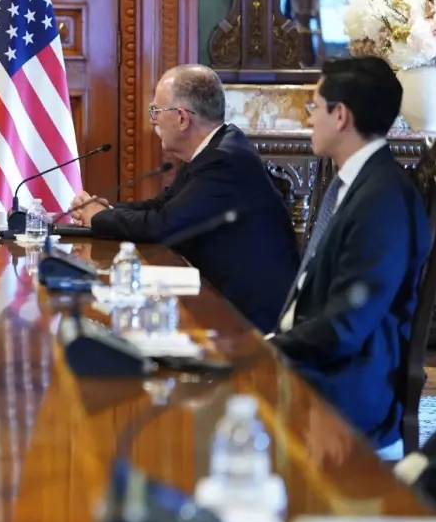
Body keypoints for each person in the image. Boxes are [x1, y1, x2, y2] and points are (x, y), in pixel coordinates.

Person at [269, 58, 429, 460]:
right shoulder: (358, 180)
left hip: (347, 383)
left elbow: (344, 328)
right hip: (320, 360)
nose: (309, 120)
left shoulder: (382, 202)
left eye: (313, 107)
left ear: (340, 115)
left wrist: (266, 350)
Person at [70, 65, 298, 333]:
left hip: (246, 319)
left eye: (156, 111)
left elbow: (163, 225)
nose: (152, 120)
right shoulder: (214, 149)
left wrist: (99, 217)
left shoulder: (225, 160)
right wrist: (103, 210)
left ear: (181, 118)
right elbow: (160, 206)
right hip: (218, 299)